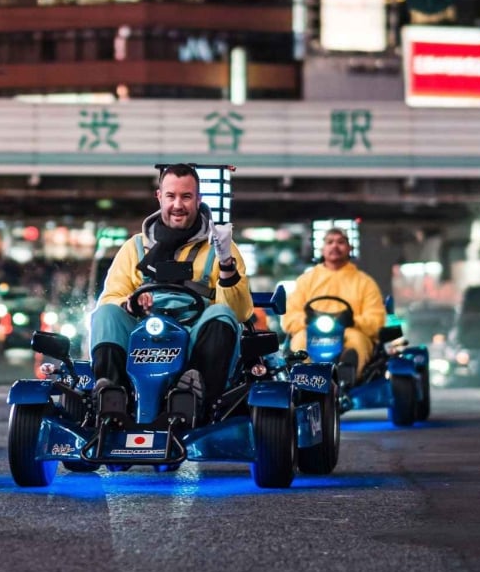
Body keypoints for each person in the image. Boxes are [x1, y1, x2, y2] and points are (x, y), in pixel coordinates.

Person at [89, 164, 252, 413]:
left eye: (186, 197)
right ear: (159, 197)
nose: (178, 205)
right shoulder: (134, 247)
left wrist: (226, 264)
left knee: (221, 314)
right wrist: (130, 303)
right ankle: (112, 394)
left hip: (195, 330)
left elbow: (238, 312)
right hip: (144, 331)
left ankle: (194, 393)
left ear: (198, 199)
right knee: (105, 314)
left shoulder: (220, 247)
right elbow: (110, 297)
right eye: (171, 196)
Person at [281, 227, 385, 381]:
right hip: (310, 332)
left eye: (340, 242)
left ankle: (346, 383)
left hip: (351, 331)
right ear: (323, 249)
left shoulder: (365, 282)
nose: (335, 246)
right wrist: (306, 320)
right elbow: (289, 318)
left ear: (349, 248)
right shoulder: (306, 281)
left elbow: (376, 320)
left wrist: (352, 321)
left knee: (357, 343)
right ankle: (306, 387)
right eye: (330, 242)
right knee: (299, 343)